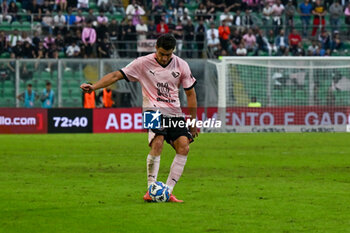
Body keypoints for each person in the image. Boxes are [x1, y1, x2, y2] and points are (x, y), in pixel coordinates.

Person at [80, 34, 198, 203]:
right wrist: (94, 87)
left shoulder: (182, 65)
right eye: (162, 53)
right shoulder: (142, 63)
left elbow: (190, 94)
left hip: (174, 113)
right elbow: (115, 76)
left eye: (168, 54)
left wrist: (193, 122)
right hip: (152, 109)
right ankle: (151, 189)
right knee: (157, 141)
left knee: (184, 147)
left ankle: (166, 191)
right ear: (156, 48)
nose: (165, 58)